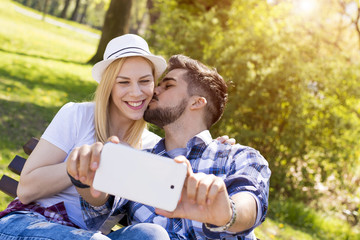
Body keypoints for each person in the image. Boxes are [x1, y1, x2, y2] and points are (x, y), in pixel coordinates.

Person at [67, 55, 271, 239]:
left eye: (168, 85)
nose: (154, 90)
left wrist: (228, 213)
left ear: (197, 102)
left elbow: (251, 201)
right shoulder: (140, 161)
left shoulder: (238, 157)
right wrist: (84, 177)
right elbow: (101, 214)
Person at [0, 34, 171, 240]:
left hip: (88, 235)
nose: (136, 92)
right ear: (109, 85)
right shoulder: (77, 115)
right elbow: (26, 190)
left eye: (145, 81)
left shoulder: (152, 146)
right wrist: (80, 165)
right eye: (123, 82)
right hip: (29, 222)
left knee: (152, 234)